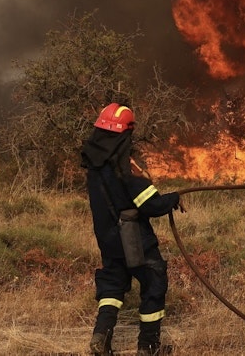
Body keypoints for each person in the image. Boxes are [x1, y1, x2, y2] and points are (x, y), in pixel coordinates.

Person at [81, 103, 182, 356]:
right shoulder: (126, 165)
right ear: (126, 133)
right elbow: (150, 204)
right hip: (133, 238)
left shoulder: (94, 164)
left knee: (113, 285)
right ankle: (148, 347)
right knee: (154, 281)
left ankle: (100, 337)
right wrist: (173, 199)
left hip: (107, 238)